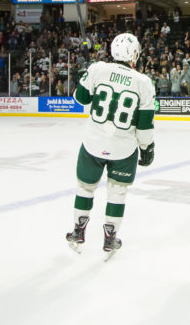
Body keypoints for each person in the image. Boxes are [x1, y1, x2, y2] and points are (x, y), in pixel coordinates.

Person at [66, 33, 156, 260]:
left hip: (93, 143)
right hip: (123, 148)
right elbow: (145, 125)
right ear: (134, 53)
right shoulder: (143, 82)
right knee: (117, 191)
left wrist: (83, 77)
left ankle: (78, 232)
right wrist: (147, 148)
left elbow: (80, 98)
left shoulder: (97, 69)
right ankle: (110, 238)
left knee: (85, 188)